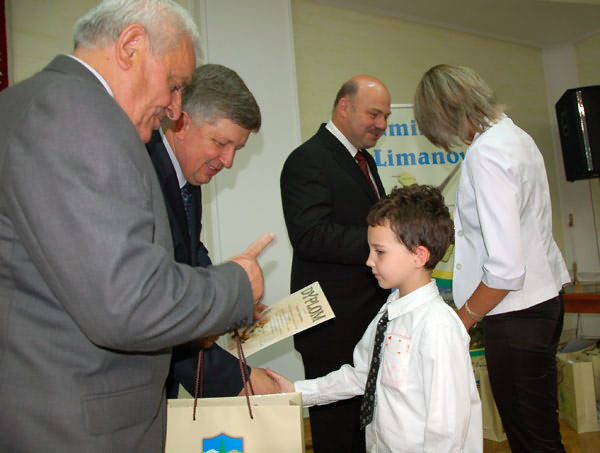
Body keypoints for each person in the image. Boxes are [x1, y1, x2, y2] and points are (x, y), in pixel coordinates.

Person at [0, 1, 272, 451]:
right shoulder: (75, 115)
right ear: (131, 46)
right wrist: (238, 286)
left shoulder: (32, 103)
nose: (174, 107)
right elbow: (129, 301)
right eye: (175, 84)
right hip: (75, 428)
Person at [414, 64, 570, 452]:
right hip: (544, 301)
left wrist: (462, 320)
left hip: (517, 315)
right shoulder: (515, 137)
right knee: (541, 429)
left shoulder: (485, 154)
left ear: (446, 113)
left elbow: (505, 269)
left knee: (532, 439)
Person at [269, 184, 483, 452]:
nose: (369, 261)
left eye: (379, 251)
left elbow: (447, 429)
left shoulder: (438, 327)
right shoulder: (387, 314)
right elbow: (363, 375)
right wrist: (296, 391)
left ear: (418, 256)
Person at [147, 63, 277, 398]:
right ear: (182, 123)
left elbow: (189, 255)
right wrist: (237, 380)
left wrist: (233, 300)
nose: (228, 161)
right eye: (220, 143)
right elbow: (156, 306)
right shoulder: (143, 176)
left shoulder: (187, 178)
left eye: (237, 149)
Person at [280, 74, 391, 452]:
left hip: (369, 320)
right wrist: (385, 243)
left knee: (368, 432)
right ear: (344, 106)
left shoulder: (365, 161)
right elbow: (310, 236)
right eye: (374, 114)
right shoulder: (307, 159)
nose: (382, 124)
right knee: (338, 436)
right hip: (332, 328)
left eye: (386, 116)